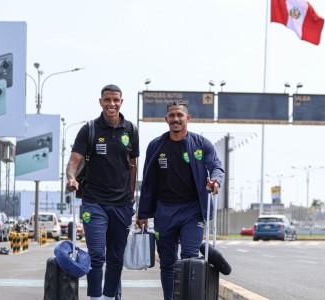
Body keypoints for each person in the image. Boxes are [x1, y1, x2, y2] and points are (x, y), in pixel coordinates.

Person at [137, 100, 224, 300]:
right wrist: (142, 214)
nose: (176, 119)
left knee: (189, 258)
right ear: (166, 119)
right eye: (172, 116)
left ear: (188, 118)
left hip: (192, 210)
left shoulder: (201, 144)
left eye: (180, 115)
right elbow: (147, 180)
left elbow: (216, 166)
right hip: (164, 212)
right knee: (167, 262)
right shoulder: (156, 145)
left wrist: (216, 181)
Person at [66, 84, 139, 300]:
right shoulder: (89, 129)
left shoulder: (131, 130)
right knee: (97, 255)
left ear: (121, 102)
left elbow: (133, 165)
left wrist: (131, 197)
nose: (111, 104)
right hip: (93, 202)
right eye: (107, 100)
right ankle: (95, 297)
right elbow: (75, 160)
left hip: (122, 205)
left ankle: (108, 297)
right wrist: (71, 177)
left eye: (115, 100)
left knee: (116, 258)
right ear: (100, 102)